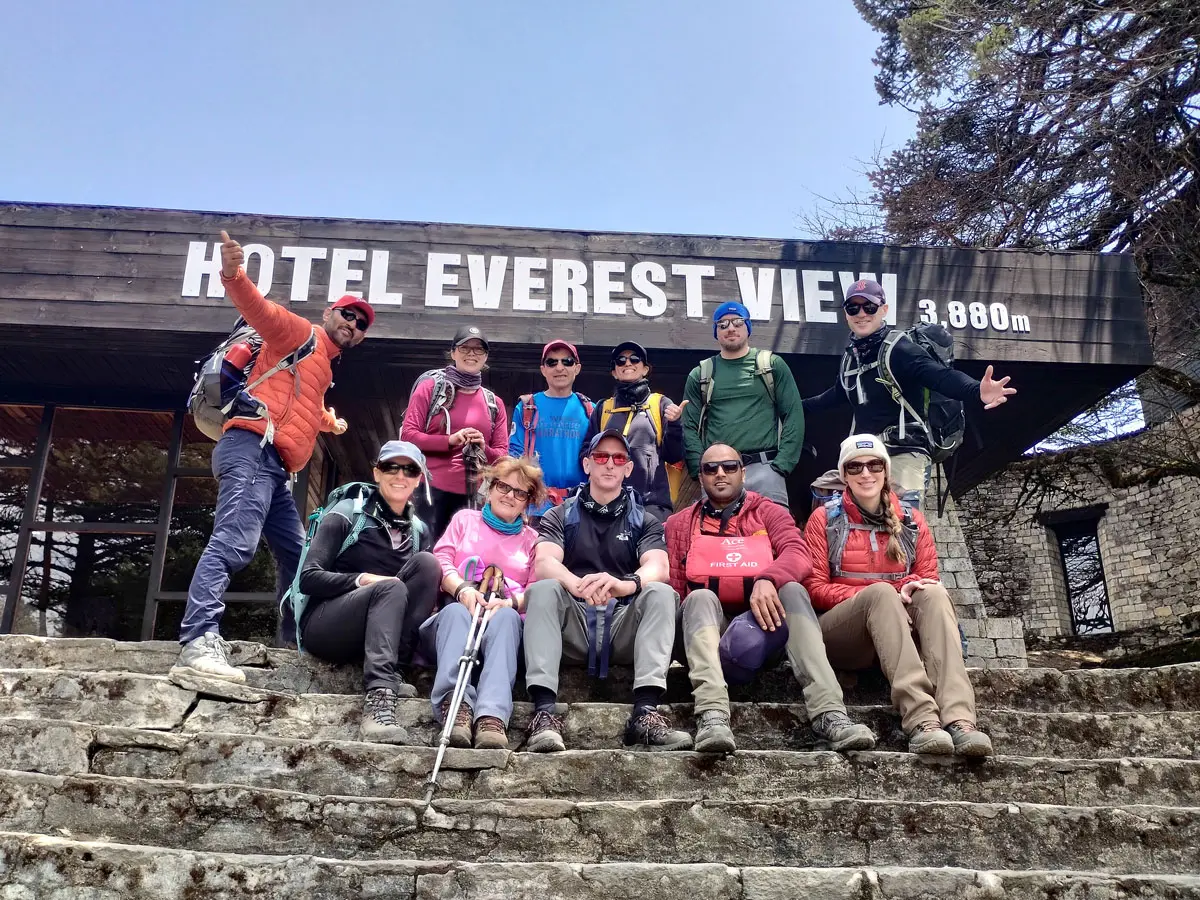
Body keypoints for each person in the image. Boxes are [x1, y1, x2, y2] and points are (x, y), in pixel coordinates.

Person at [171, 230, 372, 684]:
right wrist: (232, 272)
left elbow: (296, 405)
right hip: (250, 449)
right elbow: (255, 307)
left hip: (275, 467)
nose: (353, 325)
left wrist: (327, 422)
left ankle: (292, 640)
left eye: (361, 323)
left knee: (298, 555)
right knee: (234, 542)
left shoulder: (321, 365)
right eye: (348, 315)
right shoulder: (300, 333)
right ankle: (198, 639)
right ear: (329, 313)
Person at [666, 444, 876, 754]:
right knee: (698, 598)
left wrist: (768, 578)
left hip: (763, 630)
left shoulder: (768, 511)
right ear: (700, 477)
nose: (720, 473)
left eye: (729, 466)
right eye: (711, 468)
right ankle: (712, 716)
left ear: (743, 473)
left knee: (792, 590)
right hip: (704, 631)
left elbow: (798, 553)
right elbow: (675, 583)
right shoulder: (679, 524)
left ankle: (829, 713)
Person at [803, 434, 994, 757]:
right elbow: (814, 589)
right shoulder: (825, 519)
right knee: (880, 593)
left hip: (898, 632)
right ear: (844, 475)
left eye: (875, 464)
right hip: (844, 636)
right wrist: (886, 594)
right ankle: (921, 719)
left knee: (932, 595)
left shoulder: (912, 521)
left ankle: (960, 718)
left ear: (886, 471)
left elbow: (928, 578)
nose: (866, 473)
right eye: (855, 467)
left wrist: (908, 592)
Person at [523, 430, 690, 752]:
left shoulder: (646, 520)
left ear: (628, 468)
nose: (609, 464)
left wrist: (624, 584)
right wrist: (578, 585)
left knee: (660, 593)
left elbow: (659, 566)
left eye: (618, 458)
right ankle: (543, 712)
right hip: (574, 629)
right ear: (587, 464)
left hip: (622, 627)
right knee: (543, 589)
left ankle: (645, 711)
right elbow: (544, 562)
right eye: (601, 457)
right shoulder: (560, 514)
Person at [803, 279, 1016, 503]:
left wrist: (976, 390)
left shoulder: (899, 348)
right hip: (866, 457)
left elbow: (939, 376)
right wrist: (795, 407)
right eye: (853, 308)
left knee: (904, 527)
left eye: (870, 307)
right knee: (841, 511)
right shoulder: (850, 357)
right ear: (846, 314)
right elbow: (838, 394)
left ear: (884, 310)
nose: (861, 313)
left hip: (904, 452)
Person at [291, 441, 440, 744]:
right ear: (376, 472)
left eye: (410, 469)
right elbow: (308, 578)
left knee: (428, 564)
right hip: (326, 625)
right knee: (389, 587)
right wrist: (361, 579)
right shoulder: (346, 513)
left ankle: (395, 669)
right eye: (391, 467)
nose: (400, 475)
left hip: (376, 632)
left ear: (419, 478)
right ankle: (379, 700)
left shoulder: (417, 529)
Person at [422, 456, 547, 750]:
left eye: (520, 492)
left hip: (501, 626)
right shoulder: (465, 520)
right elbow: (441, 560)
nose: (510, 496)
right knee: (455, 613)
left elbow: (536, 588)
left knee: (508, 619)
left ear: (527, 501)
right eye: (504, 486)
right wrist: (463, 590)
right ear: (489, 488)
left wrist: (510, 604)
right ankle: (456, 706)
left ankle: (492, 715)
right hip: (455, 618)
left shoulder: (533, 539)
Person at [681, 301, 804, 507]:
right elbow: (689, 426)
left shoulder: (772, 365)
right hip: (718, 473)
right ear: (716, 331)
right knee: (718, 537)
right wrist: (699, 469)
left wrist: (782, 465)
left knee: (770, 537)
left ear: (748, 327)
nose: (731, 328)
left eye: (738, 322)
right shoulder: (700, 374)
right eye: (723, 324)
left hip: (766, 469)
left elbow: (793, 415)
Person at [401, 325, 509, 537]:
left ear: (485, 356)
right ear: (453, 353)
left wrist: (482, 447)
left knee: (463, 560)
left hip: (472, 497)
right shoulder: (431, 387)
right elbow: (408, 435)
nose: (471, 353)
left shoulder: (494, 403)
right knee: (425, 555)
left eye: (478, 349)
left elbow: (503, 457)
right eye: (464, 347)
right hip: (428, 490)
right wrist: (449, 441)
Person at [583, 341, 684, 523]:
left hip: (652, 505)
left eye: (635, 359)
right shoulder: (603, 408)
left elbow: (674, 455)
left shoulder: (661, 404)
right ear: (614, 372)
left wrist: (675, 425)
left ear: (645, 369)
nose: (627, 363)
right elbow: (586, 452)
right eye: (620, 361)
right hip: (608, 503)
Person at [508, 340, 593, 521]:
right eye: (552, 362)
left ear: (577, 368)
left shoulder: (591, 410)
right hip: (534, 507)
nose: (559, 367)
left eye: (567, 362)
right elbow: (514, 456)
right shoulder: (526, 407)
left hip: (580, 508)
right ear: (543, 369)